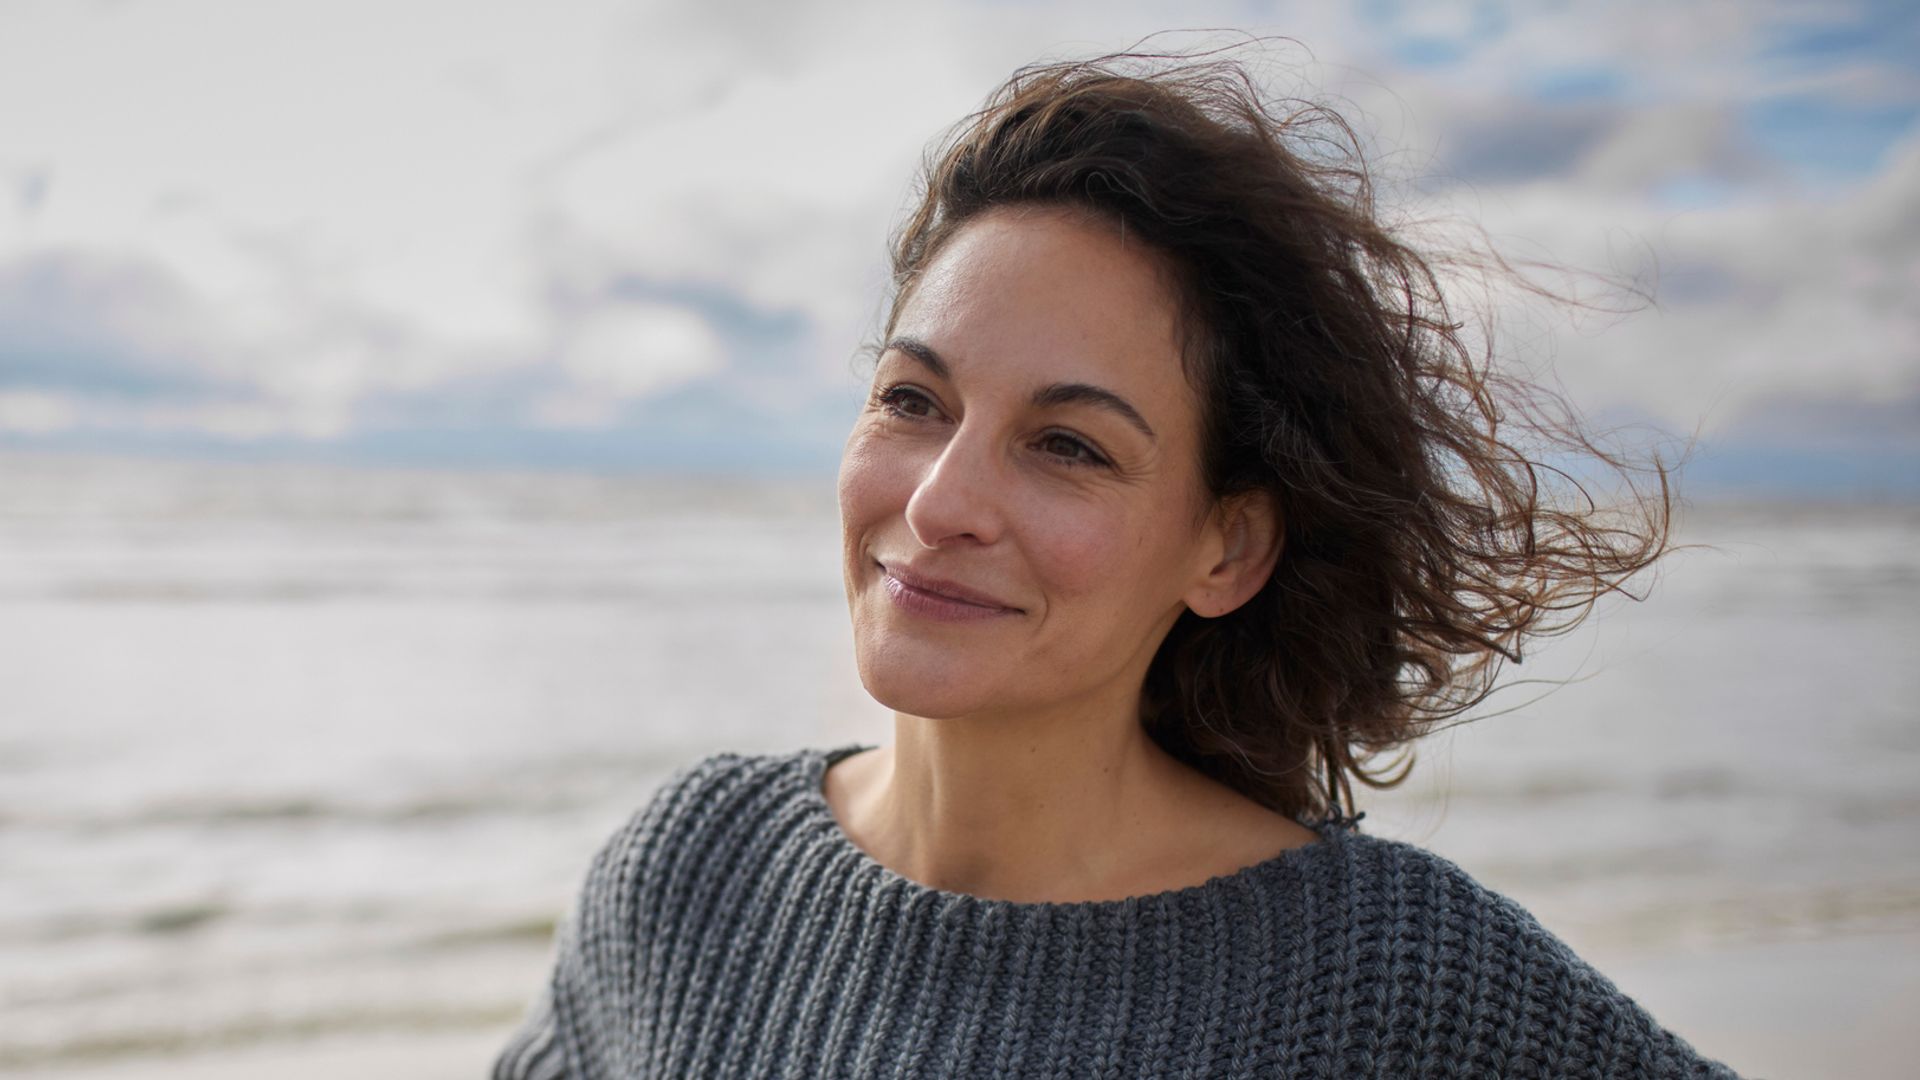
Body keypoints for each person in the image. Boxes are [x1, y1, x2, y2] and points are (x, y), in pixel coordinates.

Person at [492, 45, 1743, 1079]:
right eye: (914, 401)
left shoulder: (1379, 976)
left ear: (1229, 544)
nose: (940, 503)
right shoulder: (694, 874)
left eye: (1067, 446)